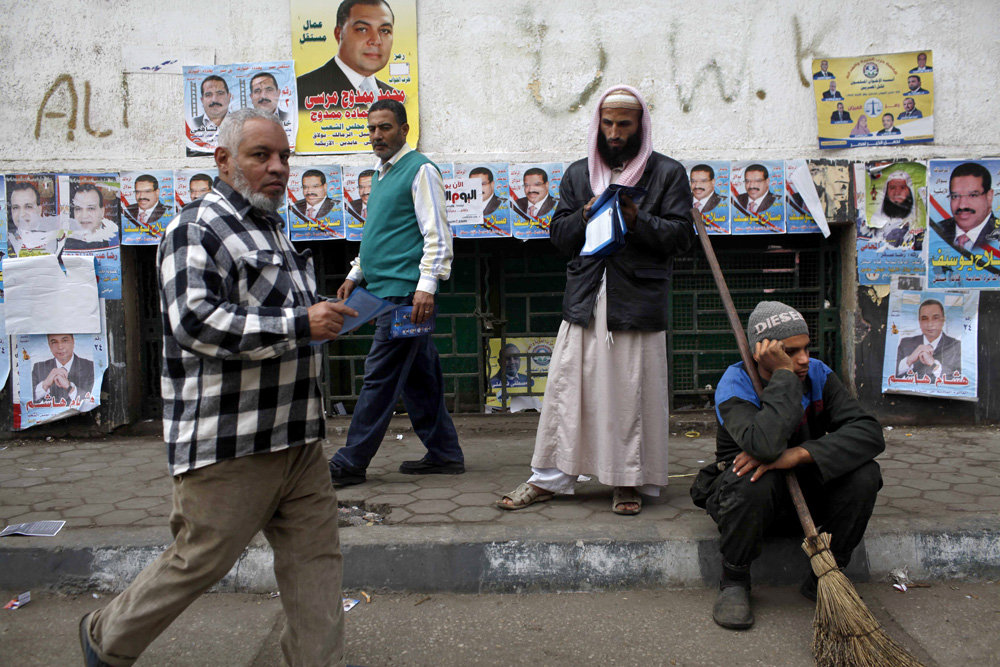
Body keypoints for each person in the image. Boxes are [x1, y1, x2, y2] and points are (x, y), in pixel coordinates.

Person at [78, 108, 359, 667]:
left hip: (297, 435)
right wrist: (301, 324)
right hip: (231, 439)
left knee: (315, 560)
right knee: (201, 557)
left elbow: (276, 315)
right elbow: (195, 322)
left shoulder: (273, 225)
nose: (278, 168)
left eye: (284, 156)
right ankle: (106, 637)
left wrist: (324, 312)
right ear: (224, 161)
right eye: (262, 156)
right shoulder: (194, 228)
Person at [497, 86, 694, 516]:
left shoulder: (667, 173)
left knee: (630, 396)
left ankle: (627, 482)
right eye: (607, 124)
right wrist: (586, 213)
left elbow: (681, 238)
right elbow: (559, 235)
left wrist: (638, 218)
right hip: (586, 298)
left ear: (641, 125)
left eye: (624, 124)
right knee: (568, 393)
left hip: (636, 302)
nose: (615, 132)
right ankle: (549, 478)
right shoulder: (578, 174)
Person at [690, 301, 883, 630]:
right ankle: (734, 580)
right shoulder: (735, 384)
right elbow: (764, 446)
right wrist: (783, 376)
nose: (804, 359)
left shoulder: (819, 374)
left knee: (865, 474)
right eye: (791, 352)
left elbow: (869, 433)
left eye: (806, 348)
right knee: (752, 474)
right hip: (748, 508)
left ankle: (826, 575)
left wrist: (798, 455)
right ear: (762, 353)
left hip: (805, 498)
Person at [327, 98, 464, 487]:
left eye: (385, 127)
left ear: (404, 129)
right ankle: (444, 454)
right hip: (381, 289)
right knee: (420, 378)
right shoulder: (382, 172)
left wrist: (427, 287)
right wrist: (356, 272)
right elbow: (380, 233)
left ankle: (351, 462)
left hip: (406, 297)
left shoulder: (420, 170)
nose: (377, 136)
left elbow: (437, 233)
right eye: (371, 129)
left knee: (379, 377)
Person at [296, 0, 400, 109]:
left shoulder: (397, 98)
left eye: (384, 31)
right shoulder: (302, 91)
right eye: (362, 29)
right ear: (338, 34)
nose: (376, 40)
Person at [929, 162, 1000, 262]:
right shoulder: (937, 231)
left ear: (989, 196)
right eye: (955, 196)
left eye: (973, 195)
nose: (962, 205)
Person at [896, 299, 961, 382]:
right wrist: (910, 359)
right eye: (924, 319)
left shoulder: (956, 346)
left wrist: (934, 365)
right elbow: (889, 373)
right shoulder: (906, 344)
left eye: (935, 318)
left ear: (943, 320)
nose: (930, 324)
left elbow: (960, 379)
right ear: (919, 321)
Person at [31, 334, 95, 404]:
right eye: (54, 342)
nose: (60, 347)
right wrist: (45, 384)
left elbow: (94, 400)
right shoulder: (39, 368)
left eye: (64, 340)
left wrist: (70, 388)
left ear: (73, 342)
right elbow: (26, 399)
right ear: (49, 345)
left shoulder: (90, 367)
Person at [866, 169, 921, 249]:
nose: (897, 193)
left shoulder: (918, 217)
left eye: (902, 187)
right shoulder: (876, 218)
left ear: (909, 191)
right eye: (892, 188)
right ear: (886, 191)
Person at [64, 183, 118, 250]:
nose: (84, 216)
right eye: (78, 209)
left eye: (91, 208)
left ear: (102, 212)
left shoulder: (115, 240)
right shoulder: (67, 242)